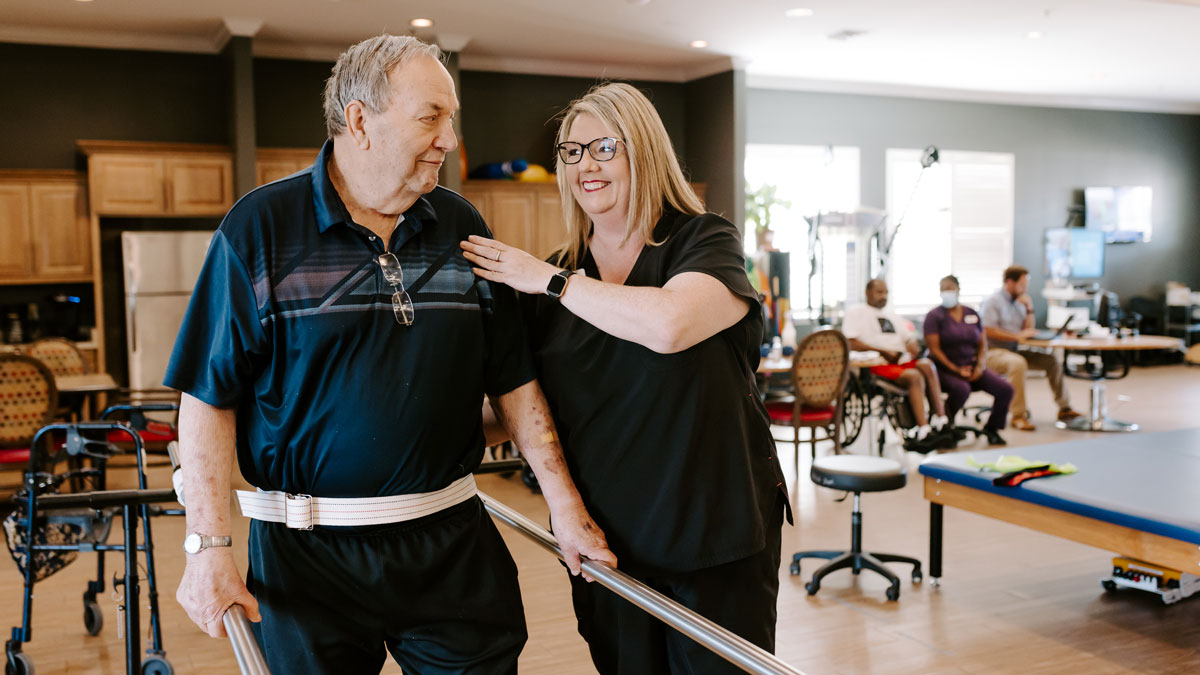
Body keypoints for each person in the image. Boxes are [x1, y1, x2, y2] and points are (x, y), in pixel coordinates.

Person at [165, 35, 614, 675]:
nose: (450, 139)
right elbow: (208, 398)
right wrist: (206, 546)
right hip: (307, 555)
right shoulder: (260, 228)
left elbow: (514, 383)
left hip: (452, 541)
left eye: (449, 119)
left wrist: (565, 509)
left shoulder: (462, 226)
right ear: (359, 121)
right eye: (431, 117)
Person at [461, 82, 789, 674]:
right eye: (572, 151)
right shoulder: (554, 275)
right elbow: (521, 409)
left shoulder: (703, 241)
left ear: (644, 150)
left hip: (714, 537)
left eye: (604, 146)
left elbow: (669, 324)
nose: (586, 163)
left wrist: (548, 283)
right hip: (609, 545)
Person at [842, 278, 951, 451]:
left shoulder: (892, 315)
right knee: (914, 376)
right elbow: (850, 341)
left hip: (900, 359)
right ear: (867, 292)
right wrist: (881, 351)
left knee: (927, 365)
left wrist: (912, 344)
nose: (884, 296)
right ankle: (923, 429)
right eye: (879, 292)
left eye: (886, 292)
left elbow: (908, 337)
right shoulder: (856, 312)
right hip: (876, 363)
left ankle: (941, 420)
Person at [980, 265, 1081, 431]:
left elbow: (1029, 330)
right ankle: (1018, 416)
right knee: (1018, 363)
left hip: (1013, 349)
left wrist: (1029, 308)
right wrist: (1016, 336)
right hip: (992, 353)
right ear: (1010, 282)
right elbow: (986, 329)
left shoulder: (1019, 302)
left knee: (1051, 361)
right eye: (1022, 284)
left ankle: (1065, 408)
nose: (1025, 288)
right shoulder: (993, 301)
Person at [923, 275, 1014, 446]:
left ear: (958, 289)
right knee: (962, 389)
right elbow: (934, 349)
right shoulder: (934, 316)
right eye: (943, 289)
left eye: (950, 288)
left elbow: (982, 344)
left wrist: (979, 366)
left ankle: (992, 428)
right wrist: (956, 370)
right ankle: (945, 426)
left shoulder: (971, 313)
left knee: (1005, 390)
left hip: (971, 366)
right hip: (943, 368)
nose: (947, 292)